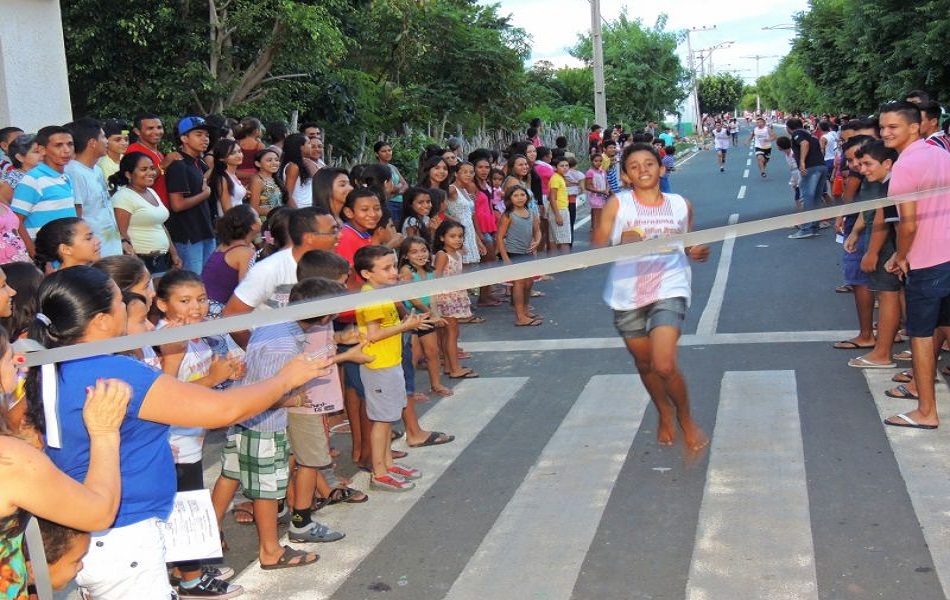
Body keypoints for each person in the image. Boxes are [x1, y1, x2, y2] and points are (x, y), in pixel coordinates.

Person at [26, 266, 332, 597]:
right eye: (120, 302)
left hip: (102, 534)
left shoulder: (57, 362)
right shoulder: (110, 369)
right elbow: (223, 409)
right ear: (101, 319)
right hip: (123, 535)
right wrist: (285, 379)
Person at [592, 142, 710, 451]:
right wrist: (621, 242)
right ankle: (663, 411)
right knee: (645, 365)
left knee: (664, 364)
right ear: (626, 176)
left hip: (669, 287)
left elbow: (686, 241)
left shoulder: (681, 204)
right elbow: (598, 248)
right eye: (634, 166)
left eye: (649, 163)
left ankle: (686, 417)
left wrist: (695, 250)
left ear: (661, 168)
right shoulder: (618, 205)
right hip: (627, 294)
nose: (642, 169)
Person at [0, 355, 130, 600]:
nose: (16, 366)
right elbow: (99, 512)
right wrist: (104, 432)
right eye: (9, 359)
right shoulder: (9, 459)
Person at [153, 270, 244, 598]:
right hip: (173, 442)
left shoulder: (194, 334)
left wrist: (228, 372)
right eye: (185, 301)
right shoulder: (166, 339)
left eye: (202, 299)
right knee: (184, 506)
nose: (197, 307)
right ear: (162, 304)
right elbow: (166, 394)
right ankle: (190, 580)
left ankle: (185, 567)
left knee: (186, 503)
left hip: (192, 435)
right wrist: (212, 379)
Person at [879, 101, 950, 430]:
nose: (885, 133)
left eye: (893, 127)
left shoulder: (905, 167)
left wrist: (901, 256)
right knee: (941, 328)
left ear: (914, 126)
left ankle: (926, 411)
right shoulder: (941, 153)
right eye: (882, 127)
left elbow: (907, 226)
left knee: (920, 335)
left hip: (928, 261)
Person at [354, 245, 432, 491]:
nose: (393, 272)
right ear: (367, 274)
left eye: (394, 266)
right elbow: (374, 334)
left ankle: (387, 463)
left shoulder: (382, 293)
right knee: (382, 420)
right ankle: (379, 472)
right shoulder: (371, 298)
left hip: (390, 362)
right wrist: (405, 326)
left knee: (388, 417)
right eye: (386, 268)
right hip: (379, 366)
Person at [843, 140, 902, 369]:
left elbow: (882, 219)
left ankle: (883, 353)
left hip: (887, 245)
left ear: (887, 163)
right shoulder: (876, 180)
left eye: (866, 163)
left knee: (889, 295)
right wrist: (856, 232)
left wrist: (873, 252)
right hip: (887, 245)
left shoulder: (889, 184)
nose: (860, 168)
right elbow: (869, 213)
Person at [11, 126, 80, 257]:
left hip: (67, 254)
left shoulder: (66, 177)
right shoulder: (33, 179)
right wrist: (35, 255)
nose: (66, 150)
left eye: (70, 144)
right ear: (42, 149)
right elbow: (16, 220)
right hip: (47, 256)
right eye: (58, 145)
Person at [110, 151, 180, 275]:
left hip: (162, 260)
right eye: (144, 169)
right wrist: (137, 265)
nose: (151, 173)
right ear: (128, 174)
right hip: (140, 262)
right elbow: (121, 234)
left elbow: (160, 225)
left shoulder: (151, 192)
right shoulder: (123, 197)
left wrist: (174, 254)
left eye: (152, 168)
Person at [65, 118, 122, 257]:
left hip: (111, 248)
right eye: (103, 136)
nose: (107, 141)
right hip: (94, 253)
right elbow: (77, 214)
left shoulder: (97, 169)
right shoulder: (74, 172)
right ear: (92, 143)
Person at [166, 116, 215, 273]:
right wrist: (205, 194)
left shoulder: (198, 162)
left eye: (206, 135)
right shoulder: (178, 164)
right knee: (192, 284)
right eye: (198, 134)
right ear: (184, 138)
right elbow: (177, 204)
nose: (205, 139)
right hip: (189, 236)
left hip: (205, 230)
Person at [433, 220, 479, 378]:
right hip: (447, 298)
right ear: (441, 238)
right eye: (452, 236)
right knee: (451, 334)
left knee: (451, 333)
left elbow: (465, 250)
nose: (458, 239)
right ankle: (455, 368)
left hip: (455, 295)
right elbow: (436, 278)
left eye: (460, 236)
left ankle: (449, 365)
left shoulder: (456, 253)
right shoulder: (442, 255)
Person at [202, 205, 260, 316]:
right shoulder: (245, 253)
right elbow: (246, 290)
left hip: (207, 306)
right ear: (252, 226)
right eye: (257, 217)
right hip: (218, 311)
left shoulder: (224, 246)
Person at [497, 185, 541, 326]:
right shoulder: (508, 215)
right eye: (515, 195)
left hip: (527, 252)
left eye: (522, 195)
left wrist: (537, 241)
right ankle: (520, 316)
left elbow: (537, 231)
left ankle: (525, 309)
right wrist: (505, 258)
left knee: (529, 283)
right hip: (514, 253)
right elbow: (499, 237)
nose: (520, 198)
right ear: (509, 198)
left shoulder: (531, 212)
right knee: (518, 283)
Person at [786, 117, 829, 239]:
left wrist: (802, 161)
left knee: (807, 198)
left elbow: (804, 144)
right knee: (816, 198)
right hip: (821, 166)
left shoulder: (797, 133)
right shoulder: (811, 134)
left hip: (810, 168)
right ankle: (814, 226)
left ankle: (806, 228)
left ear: (789, 128)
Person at [127, 114, 172, 207]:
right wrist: (162, 166)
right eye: (150, 128)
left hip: (163, 210)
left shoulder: (158, 153)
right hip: (147, 211)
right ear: (137, 131)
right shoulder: (133, 151)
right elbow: (137, 182)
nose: (156, 132)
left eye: (159, 127)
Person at [33, 217, 101, 273]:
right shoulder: (65, 285)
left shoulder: (94, 274)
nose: (98, 241)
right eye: (88, 238)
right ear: (66, 249)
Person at [208, 139, 248, 217]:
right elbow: (227, 210)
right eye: (233, 153)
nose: (239, 155)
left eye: (239, 151)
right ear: (221, 158)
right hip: (232, 223)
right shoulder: (223, 178)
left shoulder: (232, 175)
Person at [247, 148, 285, 218]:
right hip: (264, 221)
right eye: (269, 160)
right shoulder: (257, 180)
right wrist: (280, 211)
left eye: (277, 160)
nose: (274, 163)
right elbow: (254, 208)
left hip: (276, 219)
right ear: (258, 164)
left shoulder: (274, 178)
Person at [280, 134, 314, 209]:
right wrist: (297, 213)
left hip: (307, 209)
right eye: (308, 143)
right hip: (299, 209)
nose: (311, 146)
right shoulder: (293, 167)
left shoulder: (304, 164)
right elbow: (287, 195)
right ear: (301, 147)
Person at [547, 156, 572, 253]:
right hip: (559, 210)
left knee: (554, 240)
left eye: (567, 165)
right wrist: (557, 215)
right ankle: (566, 264)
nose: (565, 168)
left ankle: (555, 264)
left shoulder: (557, 178)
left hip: (557, 209)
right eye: (562, 166)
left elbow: (550, 196)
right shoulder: (556, 179)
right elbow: (553, 198)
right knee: (564, 240)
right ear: (555, 167)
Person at [97, 118, 129, 182]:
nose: (124, 143)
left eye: (126, 139)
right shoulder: (103, 164)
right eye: (117, 140)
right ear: (106, 141)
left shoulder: (124, 158)